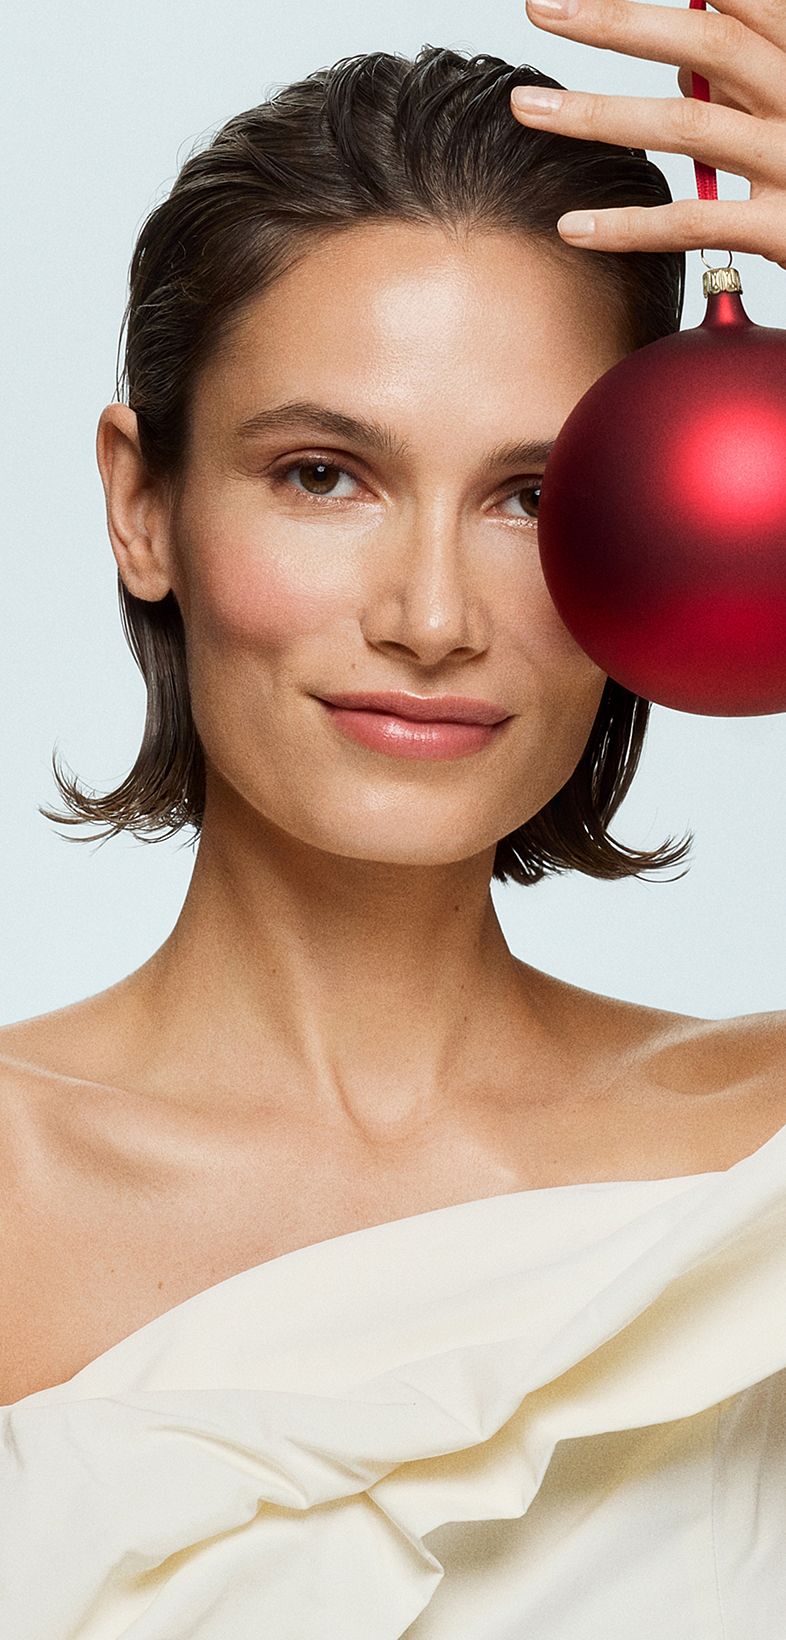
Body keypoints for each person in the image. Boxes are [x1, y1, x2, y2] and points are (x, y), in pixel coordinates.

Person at [1, 14, 786, 1635]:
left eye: (528, 497)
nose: (431, 617)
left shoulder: (760, 1152)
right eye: (320, 475)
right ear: (141, 503)